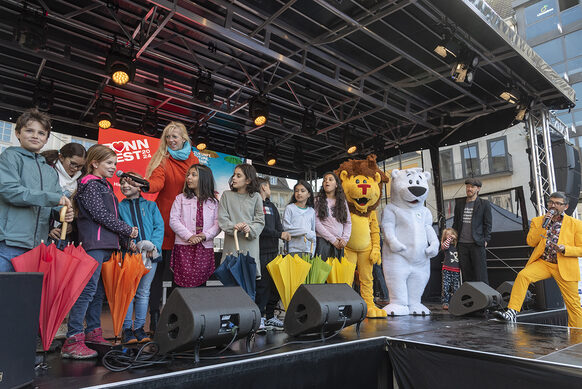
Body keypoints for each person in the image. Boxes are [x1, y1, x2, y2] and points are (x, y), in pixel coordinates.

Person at [62, 145, 138, 359]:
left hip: (104, 245)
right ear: (94, 163)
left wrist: (124, 240)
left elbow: (109, 217)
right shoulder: (90, 184)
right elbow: (100, 215)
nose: (114, 167)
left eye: (115, 163)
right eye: (109, 163)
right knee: (86, 292)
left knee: (97, 293)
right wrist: (127, 230)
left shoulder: (103, 185)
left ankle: (93, 332)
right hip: (93, 244)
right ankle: (73, 339)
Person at [136, 121, 199, 332]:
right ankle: (154, 318)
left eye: (175, 136)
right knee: (156, 274)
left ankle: (173, 317)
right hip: (163, 223)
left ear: (184, 139)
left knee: (178, 275)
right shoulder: (163, 160)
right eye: (168, 137)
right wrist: (145, 184)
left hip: (185, 225)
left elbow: (201, 184)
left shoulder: (194, 160)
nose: (171, 140)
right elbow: (157, 182)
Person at [0, 108, 73, 272]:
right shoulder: (9, 157)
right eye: (29, 130)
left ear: (47, 139)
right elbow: (11, 191)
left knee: (24, 297)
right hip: (9, 242)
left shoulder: (50, 171)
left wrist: (63, 212)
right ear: (18, 133)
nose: (35, 136)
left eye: (41, 133)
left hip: (38, 245)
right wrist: (54, 199)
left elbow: (53, 204)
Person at [494, 192, 582, 327]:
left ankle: (578, 335)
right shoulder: (538, 220)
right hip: (544, 263)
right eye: (551, 202)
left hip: (564, 265)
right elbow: (531, 242)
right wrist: (543, 226)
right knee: (523, 275)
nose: (553, 206)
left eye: (558, 203)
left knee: (574, 305)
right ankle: (512, 311)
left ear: (565, 207)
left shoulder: (575, 224)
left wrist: (566, 249)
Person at [118, 173, 164, 344]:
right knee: (128, 293)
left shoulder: (151, 206)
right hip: (129, 255)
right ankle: (127, 329)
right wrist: (127, 242)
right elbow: (118, 228)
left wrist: (155, 246)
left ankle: (139, 328)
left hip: (150, 255)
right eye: (122, 183)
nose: (124, 186)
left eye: (128, 183)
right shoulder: (119, 207)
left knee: (143, 293)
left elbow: (159, 227)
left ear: (139, 186)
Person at [169, 164, 220, 288]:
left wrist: (204, 236)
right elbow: (173, 220)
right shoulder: (180, 198)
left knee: (201, 286)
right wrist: (189, 236)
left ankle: (197, 307)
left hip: (204, 247)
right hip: (184, 246)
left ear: (204, 178)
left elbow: (218, 224)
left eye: (193, 175)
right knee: (181, 285)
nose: (189, 178)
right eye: (188, 175)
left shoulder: (214, 202)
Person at [218, 164, 265, 278]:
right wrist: (234, 226)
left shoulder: (256, 197)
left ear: (248, 180)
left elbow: (260, 221)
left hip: (250, 246)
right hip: (231, 245)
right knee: (230, 286)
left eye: (238, 176)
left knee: (248, 288)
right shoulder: (226, 195)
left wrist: (250, 229)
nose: (234, 178)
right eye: (234, 175)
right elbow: (222, 219)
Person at [256, 178, 291, 330]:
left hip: (274, 252)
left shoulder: (272, 206)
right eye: (269, 186)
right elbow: (260, 228)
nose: (269, 189)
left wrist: (282, 233)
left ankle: (270, 316)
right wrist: (279, 234)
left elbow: (278, 225)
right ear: (264, 187)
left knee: (275, 285)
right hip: (260, 251)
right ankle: (260, 317)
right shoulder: (255, 204)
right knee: (262, 285)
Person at [42, 143, 87, 243]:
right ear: (61, 157)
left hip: (63, 235)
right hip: (42, 231)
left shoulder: (81, 178)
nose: (75, 168)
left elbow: (77, 208)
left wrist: (72, 224)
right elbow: (40, 203)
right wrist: (48, 229)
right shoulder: (46, 170)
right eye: (72, 163)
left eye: (80, 166)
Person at [452, 178, 492, 284]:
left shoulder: (484, 204)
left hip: (477, 243)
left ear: (478, 189)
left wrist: (486, 240)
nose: (469, 189)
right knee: (466, 274)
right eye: (467, 186)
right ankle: (469, 299)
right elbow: (455, 223)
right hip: (462, 244)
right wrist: (454, 238)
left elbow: (488, 224)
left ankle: (485, 299)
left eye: (472, 187)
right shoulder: (460, 203)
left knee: (480, 274)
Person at [314, 172, 351, 261]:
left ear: (336, 185)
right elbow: (316, 223)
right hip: (323, 242)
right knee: (322, 273)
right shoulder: (317, 200)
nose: (327, 182)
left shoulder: (342, 202)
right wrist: (332, 240)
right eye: (325, 180)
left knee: (336, 273)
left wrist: (345, 239)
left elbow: (348, 222)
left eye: (330, 180)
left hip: (339, 244)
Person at [283, 180, 316, 256]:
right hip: (292, 250)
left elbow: (313, 233)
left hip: (308, 251)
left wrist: (312, 252)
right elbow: (286, 229)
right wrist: (304, 232)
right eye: (296, 191)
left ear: (309, 194)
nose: (299, 193)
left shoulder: (312, 211)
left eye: (302, 191)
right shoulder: (290, 208)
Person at [440, 228, 460, 310]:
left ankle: (455, 302)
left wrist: (455, 238)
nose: (450, 236)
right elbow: (445, 246)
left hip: (456, 269)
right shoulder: (445, 245)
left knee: (456, 287)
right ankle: (445, 302)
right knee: (446, 286)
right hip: (447, 269)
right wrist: (449, 238)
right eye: (447, 234)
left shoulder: (457, 245)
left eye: (451, 234)